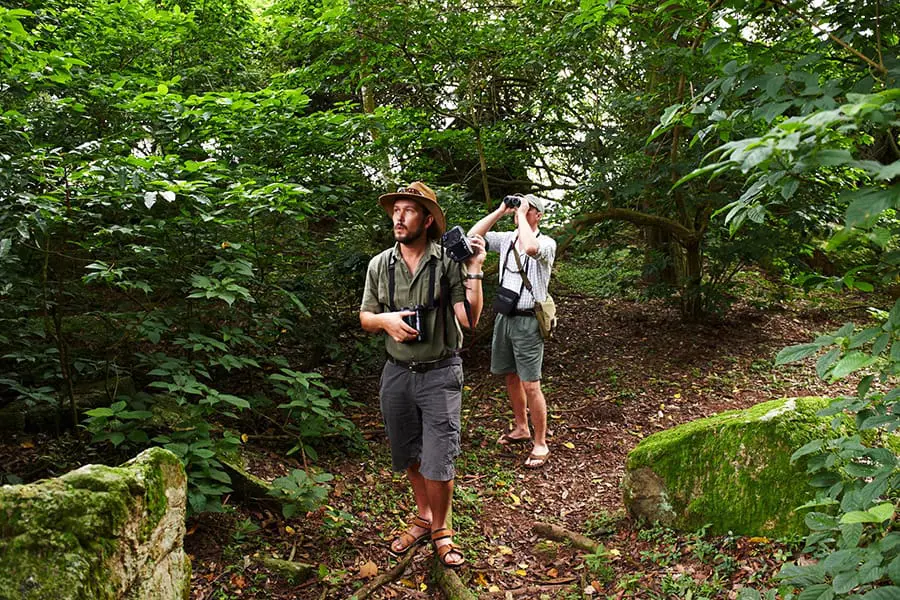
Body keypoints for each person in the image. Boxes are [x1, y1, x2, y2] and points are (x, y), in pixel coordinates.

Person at [359, 181, 486, 568]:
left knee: (439, 456)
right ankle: (423, 515)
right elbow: (366, 317)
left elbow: (470, 318)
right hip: (396, 374)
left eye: (408, 210)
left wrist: (475, 270)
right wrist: (386, 322)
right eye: (395, 209)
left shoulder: (447, 262)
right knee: (410, 451)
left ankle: (442, 528)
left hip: (440, 373)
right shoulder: (380, 264)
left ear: (427, 220)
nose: (399, 216)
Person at [468, 194, 556, 469]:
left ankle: (540, 443)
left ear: (537, 215)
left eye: (528, 209)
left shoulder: (546, 243)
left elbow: (530, 248)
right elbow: (473, 236)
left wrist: (521, 217)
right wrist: (500, 210)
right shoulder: (507, 239)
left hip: (529, 321)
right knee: (510, 376)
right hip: (505, 317)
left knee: (531, 384)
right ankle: (521, 427)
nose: (521, 211)